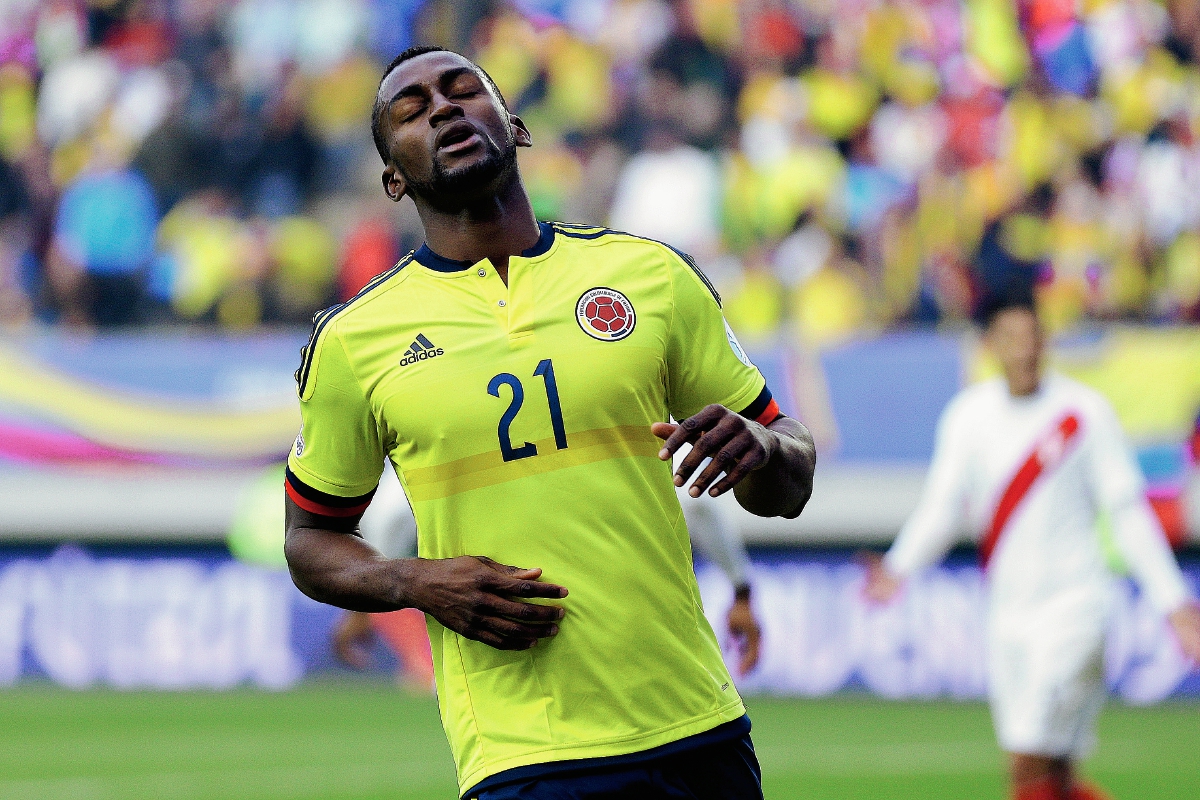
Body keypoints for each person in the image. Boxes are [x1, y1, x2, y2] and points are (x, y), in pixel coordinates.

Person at [282, 45, 816, 800]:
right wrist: (417, 581)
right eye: (412, 109)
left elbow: (787, 481)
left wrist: (763, 446)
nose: (443, 107)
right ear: (393, 178)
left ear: (517, 126)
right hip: (521, 757)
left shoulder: (651, 276)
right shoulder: (355, 340)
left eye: (464, 89)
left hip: (698, 729)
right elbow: (309, 541)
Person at [864, 291, 1200, 800]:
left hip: (1077, 607)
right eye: (1012, 339)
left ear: (1048, 341)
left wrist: (1173, 602)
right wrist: (898, 567)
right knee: (1056, 772)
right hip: (1007, 614)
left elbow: (1127, 511)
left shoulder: (1083, 413)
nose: (1025, 351)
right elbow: (943, 507)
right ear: (989, 345)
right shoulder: (968, 417)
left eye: (1034, 337)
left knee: (1027, 761)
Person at [334, 459, 764, 678]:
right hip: (635, 640)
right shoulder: (625, 418)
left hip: (516, 650)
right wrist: (741, 590)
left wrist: (364, 608)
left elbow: (392, 517)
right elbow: (698, 502)